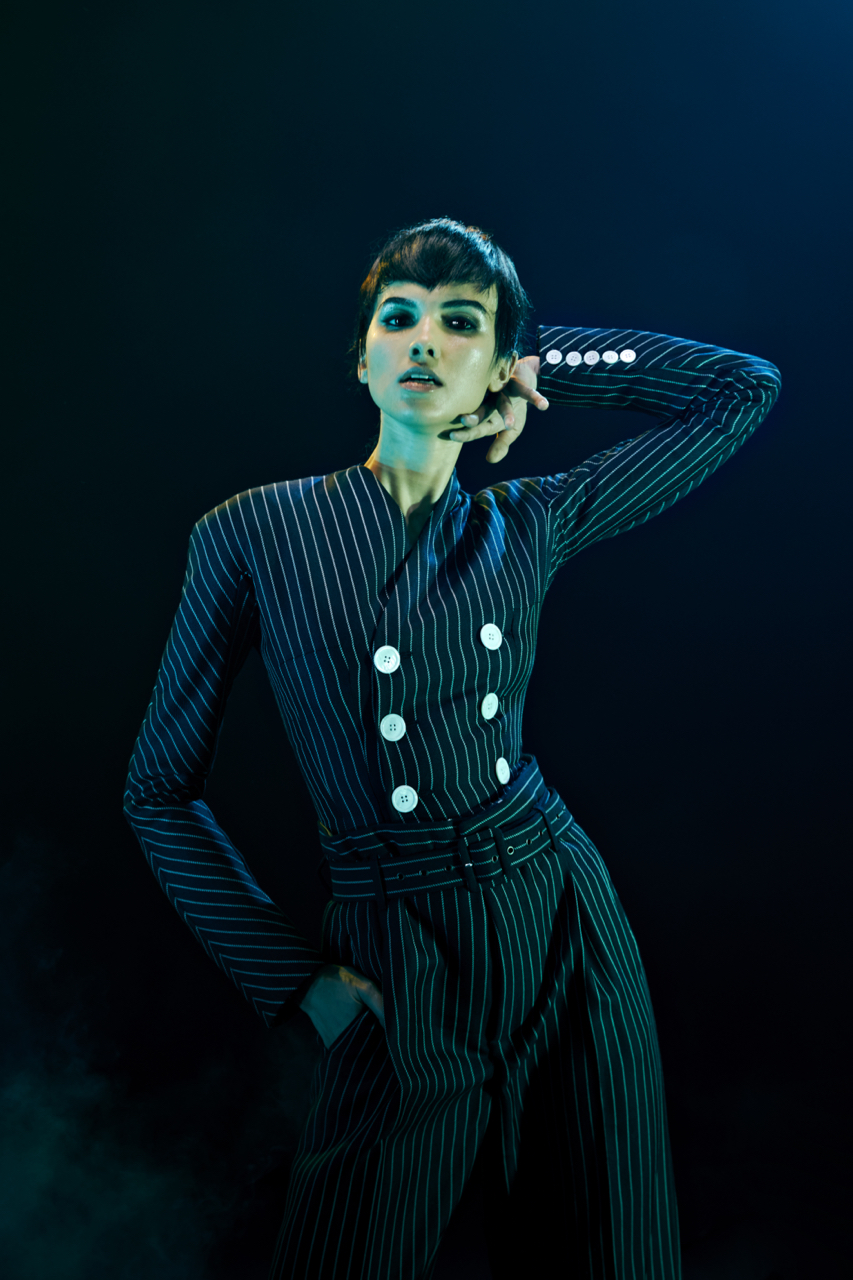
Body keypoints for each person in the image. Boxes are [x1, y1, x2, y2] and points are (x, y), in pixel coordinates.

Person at [123, 217, 781, 1280]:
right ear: (361, 358)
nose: (424, 340)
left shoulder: (530, 521)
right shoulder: (250, 531)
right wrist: (296, 981)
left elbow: (740, 387)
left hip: (557, 916)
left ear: (492, 366)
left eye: (460, 324)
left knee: (611, 1247)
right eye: (399, 318)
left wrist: (541, 358)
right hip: (397, 950)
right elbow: (157, 789)